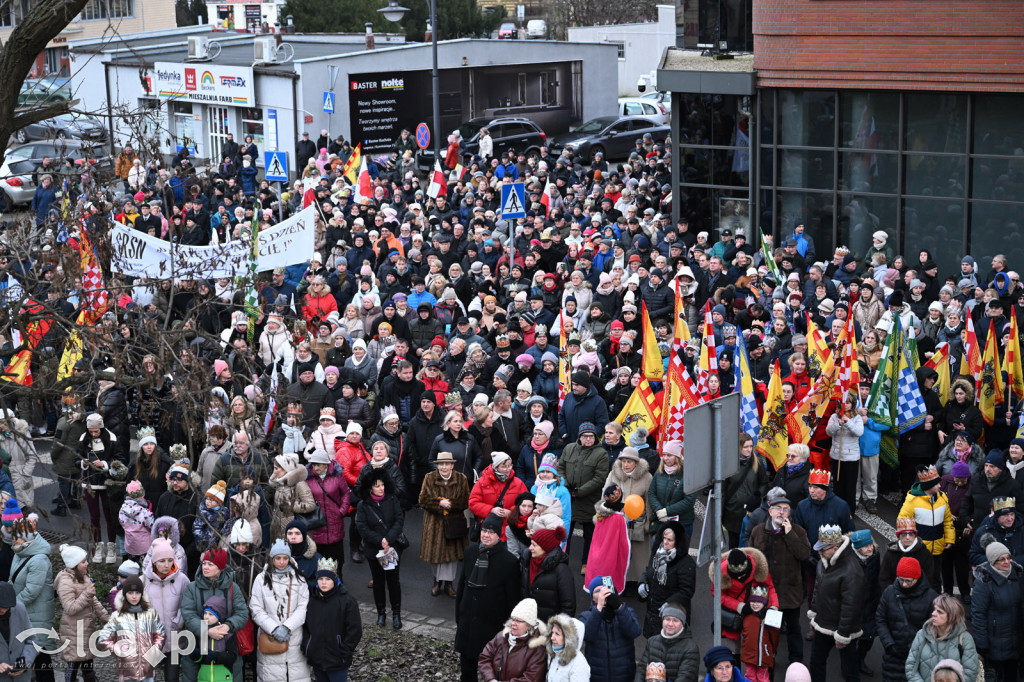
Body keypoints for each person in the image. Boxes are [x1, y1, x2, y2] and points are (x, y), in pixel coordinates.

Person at [455, 513, 522, 682]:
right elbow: (462, 587)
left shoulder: (509, 562)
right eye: (484, 530)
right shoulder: (470, 552)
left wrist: (507, 629)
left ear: (499, 535)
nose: (485, 535)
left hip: (492, 627)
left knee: (492, 672)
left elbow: (512, 600)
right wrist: (460, 615)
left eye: (491, 532)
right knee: (467, 671)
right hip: (468, 623)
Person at [749, 491, 811, 665]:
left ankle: (796, 659)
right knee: (770, 627)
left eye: (785, 509)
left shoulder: (798, 531)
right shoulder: (758, 531)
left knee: (794, 628)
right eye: (778, 508)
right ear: (770, 511)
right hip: (767, 592)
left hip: (790, 591)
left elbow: (804, 554)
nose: (781, 512)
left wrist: (790, 534)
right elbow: (752, 559)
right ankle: (770, 656)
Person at [180, 547, 249, 682]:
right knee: (193, 675)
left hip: (227, 641)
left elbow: (242, 613)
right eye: (204, 563)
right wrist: (207, 631)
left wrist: (228, 626)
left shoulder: (232, 588)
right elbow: (188, 614)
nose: (205, 567)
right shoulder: (192, 588)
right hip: (196, 640)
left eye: (210, 564)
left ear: (221, 567)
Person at [807, 524, 865, 682]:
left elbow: (851, 607)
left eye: (823, 549)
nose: (819, 553)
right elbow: (817, 590)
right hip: (823, 623)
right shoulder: (823, 561)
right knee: (816, 663)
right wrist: (814, 615)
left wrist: (843, 635)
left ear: (836, 547)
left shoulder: (851, 570)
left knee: (849, 669)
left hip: (843, 629)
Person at [249, 539, 311, 682]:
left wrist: (287, 627)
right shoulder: (261, 579)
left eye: (285, 558)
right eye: (278, 558)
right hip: (270, 636)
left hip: (294, 637)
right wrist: (274, 628)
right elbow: (256, 608)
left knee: (296, 675)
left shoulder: (299, 579)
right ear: (272, 559)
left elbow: (303, 607)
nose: (281, 562)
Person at [5, 513, 55, 682]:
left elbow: (31, 591)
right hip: (26, 611)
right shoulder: (20, 552)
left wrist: (11, 604)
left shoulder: (39, 560)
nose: (13, 541)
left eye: (16, 537)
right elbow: (12, 580)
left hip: (37, 615)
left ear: (25, 537)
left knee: (40, 654)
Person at [355, 468, 405, 629]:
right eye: (377, 485)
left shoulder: (392, 500)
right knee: (378, 582)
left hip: (390, 548)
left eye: (383, 485)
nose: (381, 488)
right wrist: (380, 540)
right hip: (373, 549)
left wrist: (388, 539)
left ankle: (396, 614)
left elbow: (399, 520)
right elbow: (362, 527)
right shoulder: (363, 505)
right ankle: (381, 613)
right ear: (370, 487)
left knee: (393, 582)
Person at [557, 421, 609, 571]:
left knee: (589, 535)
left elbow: (599, 478)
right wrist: (565, 486)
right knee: (565, 532)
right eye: (585, 436)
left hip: (589, 500)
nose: (588, 439)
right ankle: (562, 560)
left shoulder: (601, 454)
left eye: (591, 436)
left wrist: (579, 492)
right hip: (568, 498)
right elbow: (560, 468)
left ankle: (586, 563)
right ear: (579, 437)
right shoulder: (569, 448)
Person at [876, 556, 937, 682]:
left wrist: (917, 649)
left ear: (918, 577)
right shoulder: (889, 592)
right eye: (901, 579)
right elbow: (881, 619)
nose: (904, 584)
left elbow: (934, 628)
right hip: (893, 656)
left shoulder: (931, 597)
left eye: (908, 581)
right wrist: (889, 644)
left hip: (919, 657)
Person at [419, 451, 471, 597]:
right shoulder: (429, 478)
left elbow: (466, 500)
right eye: (441, 464)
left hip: (454, 523)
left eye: (446, 464)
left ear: (452, 465)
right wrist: (439, 503)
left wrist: (452, 504)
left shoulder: (461, 478)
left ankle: (449, 584)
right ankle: (436, 581)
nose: (443, 467)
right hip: (434, 523)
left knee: (451, 557)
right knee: (435, 556)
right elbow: (422, 500)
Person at [96, 575, 166, 682]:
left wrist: (154, 654)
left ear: (142, 594)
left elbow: (160, 634)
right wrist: (119, 651)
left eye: (137, 593)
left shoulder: (150, 614)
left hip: (148, 669)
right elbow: (103, 639)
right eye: (130, 593)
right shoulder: (117, 617)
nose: (134, 596)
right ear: (124, 594)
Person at [54, 544, 108, 682]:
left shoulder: (83, 576)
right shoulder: (65, 582)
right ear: (74, 565)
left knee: (88, 666)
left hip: (86, 629)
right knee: (73, 665)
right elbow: (70, 608)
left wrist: (108, 619)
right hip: (73, 631)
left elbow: (93, 601)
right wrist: (86, 594)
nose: (87, 563)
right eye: (83, 562)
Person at [970, 541, 1023, 682]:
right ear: (993, 562)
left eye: (1008, 557)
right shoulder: (984, 583)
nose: (1007, 562)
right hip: (995, 644)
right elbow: (978, 614)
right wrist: (982, 644)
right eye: (1001, 559)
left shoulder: (1017, 576)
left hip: (1015, 642)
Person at [303, 557, 362, 682]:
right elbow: (306, 627)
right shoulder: (312, 600)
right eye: (320, 579)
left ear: (335, 580)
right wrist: (308, 646)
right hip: (317, 658)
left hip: (337, 660)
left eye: (328, 579)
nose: (324, 582)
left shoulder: (347, 602)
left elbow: (355, 630)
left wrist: (344, 651)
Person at [637, 521, 696, 637]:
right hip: (653, 614)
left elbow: (686, 591)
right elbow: (649, 570)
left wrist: (669, 603)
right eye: (664, 538)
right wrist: (642, 583)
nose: (665, 542)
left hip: (671, 618)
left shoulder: (686, 563)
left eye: (670, 540)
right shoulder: (657, 554)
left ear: (677, 542)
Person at [898, 464, 954, 587]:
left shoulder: (942, 498)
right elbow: (902, 523)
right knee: (919, 579)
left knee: (935, 579)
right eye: (937, 484)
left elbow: (947, 520)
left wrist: (949, 538)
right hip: (919, 549)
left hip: (938, 548)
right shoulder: (912, 501)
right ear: (928, 486)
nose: (940, 486)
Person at [142, 538, 189, 682]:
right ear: (154, 562)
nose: (167, 565)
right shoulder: (143, 581)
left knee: (172, 678)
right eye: (162, 561)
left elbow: (187, 605)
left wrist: (179, 621)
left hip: (175, 639)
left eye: (170, 560)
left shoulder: (182, 580)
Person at [578, 577, 642, 682]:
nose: (601, 594)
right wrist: (599, 608)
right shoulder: (585, 616)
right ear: (592, 597)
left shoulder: (627, 611)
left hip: (624, 674)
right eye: (597, 591)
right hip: (597, 675)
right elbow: (589, 636)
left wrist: (619, 607)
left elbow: (634, 632)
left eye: (604, 589)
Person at [604, 448, 652, 587]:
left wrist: (649, 522)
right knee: (618, 555)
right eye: (623, 461)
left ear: (636, 463)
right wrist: (603, 514)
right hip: (617, 521)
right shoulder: (613, 474)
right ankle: (619, 581)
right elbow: (605, 495)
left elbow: (649, 501)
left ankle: (636, 582)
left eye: (629, 461)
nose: (625, 464)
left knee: (638, 556)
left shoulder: (647, 477)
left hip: (638, 522)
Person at [904, 594, 979, 682]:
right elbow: (910, 667)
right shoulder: (921, 634)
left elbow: (970, 672)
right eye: (934, 609)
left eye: (939, 612)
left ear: (952, 617)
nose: (933, 614)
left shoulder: (964, 638)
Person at [477, 598, 549, 682]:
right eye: (513, 619)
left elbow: (530, 679)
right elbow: (484, 658)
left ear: (529, 626)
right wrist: (491, 679)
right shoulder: (501, 637)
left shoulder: (537, 650)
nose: (513, 623)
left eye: (518, 621)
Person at [304, 448, 351, 569]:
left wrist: (342, 511)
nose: (316, 467)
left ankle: (338, 580)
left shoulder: (337, 475)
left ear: (326, 464)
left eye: (319, 464)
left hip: (335, 520)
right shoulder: (307, 478)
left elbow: (346, 493)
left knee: (337, 556)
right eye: (313, 464)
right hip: (317, 522)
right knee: (320, 557)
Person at [722, 434, 770, 548]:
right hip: (733, 511)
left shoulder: (757, 463)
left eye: (751, 446)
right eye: (746, 447)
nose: (749, 450)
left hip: (751, 512)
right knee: (733, 543)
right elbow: (722, 489)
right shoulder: (729, 465)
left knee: (749, 543)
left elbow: (764, 483)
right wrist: (720, 513)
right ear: (739, 447)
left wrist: (757, 498)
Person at [469, 451, 529, 538]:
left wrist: (511, 513)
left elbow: (526, 504)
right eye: (504, 467)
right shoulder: (482, 482)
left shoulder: (518, 483)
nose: (508, 469)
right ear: (496, 467)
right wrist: (491, 510)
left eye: (510, 465)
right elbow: (473, 503)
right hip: (489, 530)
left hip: (511, 531)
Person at [634, 603, 700, 682]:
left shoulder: (690, 648)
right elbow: (642, 669)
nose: (670, 624)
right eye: (667, 619)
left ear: (682, 623)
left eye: (675, 620)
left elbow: (685, 677)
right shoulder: (652, 641)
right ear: (662, 620)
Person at [522, 526, 575, 623]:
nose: (530, 548)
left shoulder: (562, 570)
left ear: (545, 547)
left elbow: (568, 605)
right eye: (531, 544)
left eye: (534, 545)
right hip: (527, 621)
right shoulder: (527, 561)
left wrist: (559, 628)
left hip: (549, 626)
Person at [826, 392, 864, 514]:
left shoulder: (857, 417)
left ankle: (850, 512)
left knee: (850, 487)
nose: (845, 405)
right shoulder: (834, 416)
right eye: (843, 402)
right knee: (838, 486)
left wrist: (848, 422)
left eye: (848, 403)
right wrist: (838, 424)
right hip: (837, 456)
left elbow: (859, 432)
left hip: (851, 458)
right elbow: (828, 431)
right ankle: (837, 511)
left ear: (852, 404)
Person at [649, 441, 697, 537]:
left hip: (682, 523)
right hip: (662, 522)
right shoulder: (659, 472)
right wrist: (659, 510)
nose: (666, 458)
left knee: (680, 551)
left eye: (669, 455)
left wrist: (667, 511)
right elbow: (651, 493)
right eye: (664, 455)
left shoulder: (687, 473)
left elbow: (689, 500)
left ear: (677, 456)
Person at [879, 517, 936, 590]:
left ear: (915, 535)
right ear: (899, 536)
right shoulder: (890, 553)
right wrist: (892, 594)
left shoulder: (925, 554)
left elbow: (928, 580)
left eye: (911, 534)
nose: (908, 537)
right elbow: (884, 579)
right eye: (904, 534)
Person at [739, 585, 780, 682]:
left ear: (764, 603)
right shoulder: (747, 616)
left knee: (763, 678)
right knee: (749, 677)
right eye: (753, 601)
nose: (755, 604)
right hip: (749, 655)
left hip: (763, 657)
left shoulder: (769, 617)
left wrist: (772, 651)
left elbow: (774, 636)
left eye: (759, 602)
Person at [545, 613, 591, 682]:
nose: (552, 638)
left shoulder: (579, 664)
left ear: (569, 638)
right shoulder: (554, 654)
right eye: (552, 633)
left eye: (557, 634)